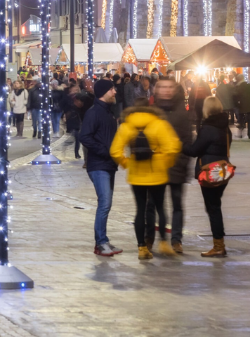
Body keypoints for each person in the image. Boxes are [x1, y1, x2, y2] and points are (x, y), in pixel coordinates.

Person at [111, 96, 181, 259]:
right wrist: (165, 162)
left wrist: (127, 163)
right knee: (160, 208)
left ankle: (142, 247)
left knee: (140, 210)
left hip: (136, 175)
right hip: (157, 174)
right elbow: (173, 147)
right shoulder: (159, 124)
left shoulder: (126, 125)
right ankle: (163, 243)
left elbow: (114, 151)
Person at [183, 96, 233, 257]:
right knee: (214, 206)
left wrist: (180, 145)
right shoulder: (225, 128)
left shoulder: (208, 128)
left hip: (209, 172)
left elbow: (194, 150)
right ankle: (220, 243)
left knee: (213, 208)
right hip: (223, 170)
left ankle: (219, 245)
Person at [77, 79, 123, 256]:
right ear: (104, 92)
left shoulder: (108, 113)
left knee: (106, 203)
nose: (114, 92)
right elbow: (85, 137)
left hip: (108, 164)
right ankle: (101, 242)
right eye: (112, 89)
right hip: (98, 164)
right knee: (105, 203)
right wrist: (105, 151)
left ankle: (103, 240)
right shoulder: (94, 112)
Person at [147, 80, 191, 254]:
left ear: (175, 89)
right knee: (152, 205)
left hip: (176, 165)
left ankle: (176, 239)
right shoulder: (152, 112)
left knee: (177, 204)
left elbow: (187, 140)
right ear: (156, 90)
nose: (166, 90)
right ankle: (149, 237)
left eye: (169, 87)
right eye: (162, 87)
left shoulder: (182, 112)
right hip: (155, 166)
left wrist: (181, 161)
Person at [233, 74, 250, 139]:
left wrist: (236, 104)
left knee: (241, 120)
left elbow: (235, 96)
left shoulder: (238, 87)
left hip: (241, 105)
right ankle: (249, 134)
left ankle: (241, 134)